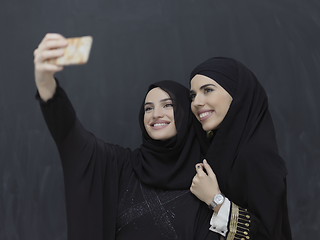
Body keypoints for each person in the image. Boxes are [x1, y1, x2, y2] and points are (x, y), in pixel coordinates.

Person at [33, 34, 224, 240]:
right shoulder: (122, 166)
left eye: (168, 105)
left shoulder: (208, 176)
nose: (155, 114)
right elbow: (71, 136)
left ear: (187, 114)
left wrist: (216, 200)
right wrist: (45, 84)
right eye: (148, 108)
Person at [188, 57, 292, 240]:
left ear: (237, 94)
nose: (197, 102)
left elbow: (271, 235)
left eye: (208, 90)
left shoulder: (257, 156)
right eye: (193, 95)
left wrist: (216, 200)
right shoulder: (213, 150)